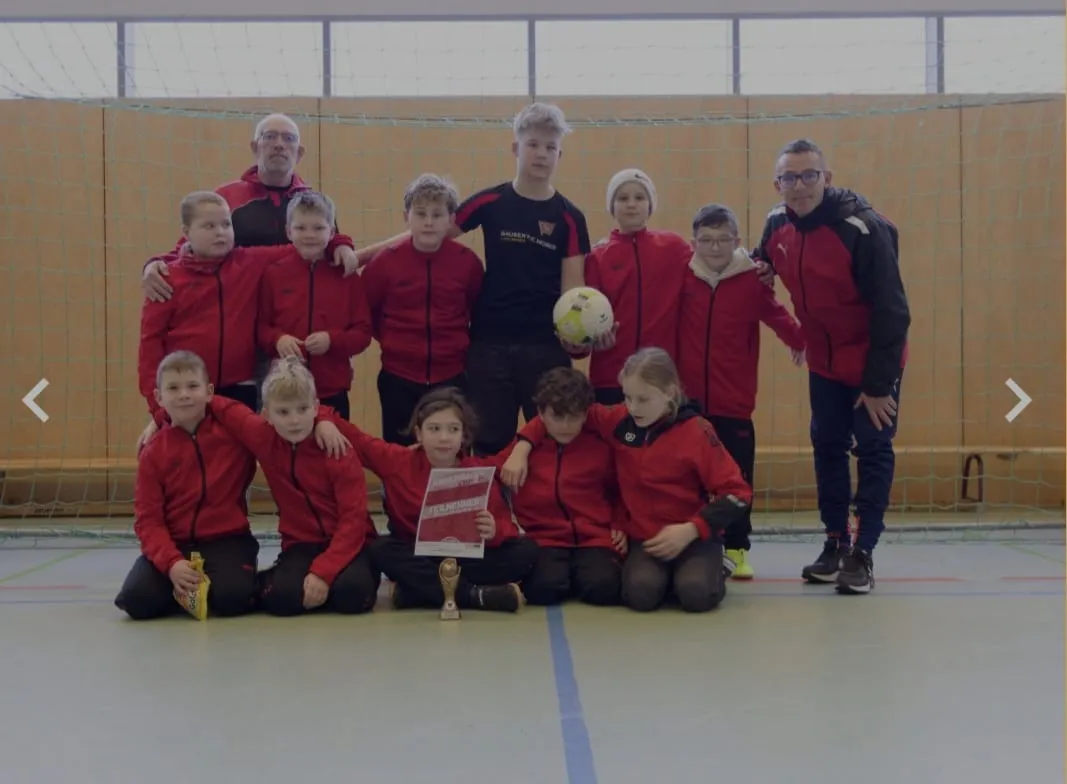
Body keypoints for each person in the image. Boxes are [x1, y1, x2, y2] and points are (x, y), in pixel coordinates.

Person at [357, 103, 591, 455]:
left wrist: (578, 339)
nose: (541, 153)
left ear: (560, 154)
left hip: (544, 348)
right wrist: (360, 257)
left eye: (550, 147)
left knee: (549, 441)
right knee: (487, 444)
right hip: (489, 348)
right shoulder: (491, 201)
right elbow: (427, 232)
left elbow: (573, 293)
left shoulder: (571, 217)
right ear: (516, 148)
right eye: (533, 144)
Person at [751, 138, 910, 595]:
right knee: (827, 446)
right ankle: (836, 542)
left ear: (827, 178)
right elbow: (766, 258)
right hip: (823, 364)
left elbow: (893, 311)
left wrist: (877, 386)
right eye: (790, 177)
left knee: (873, 448)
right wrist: (762, 266)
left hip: (872, 363)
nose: (800, 185)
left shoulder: (863, 228)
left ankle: (863, 554)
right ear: (777, 184)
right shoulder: (777, 222)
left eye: (809, 175)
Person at [502, 348, 752, 613]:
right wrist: (523, 446)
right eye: (627, 397)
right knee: (640, 595)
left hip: (692, 536)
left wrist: (692, 529)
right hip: (646, 538)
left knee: (695, 595)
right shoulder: (620, 420)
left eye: (643, 399)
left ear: (670, 392)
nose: (633, 408)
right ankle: (674, 577)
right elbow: (558, 411)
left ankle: (710, 567)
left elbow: (738, 494)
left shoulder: (698, 432)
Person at [138, 113, 361, 410]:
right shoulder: (227, 197)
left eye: (288, 138)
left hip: (289, 334)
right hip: (243, 332)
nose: (279, 144)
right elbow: (188, 247)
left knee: (288, 416)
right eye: (270, 136)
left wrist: (343, 243)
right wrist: (154, 264)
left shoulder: (312, 202)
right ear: (255, 146)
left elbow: (325, 242)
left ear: (299, 152)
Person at [137, 191, 354, 418]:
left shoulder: (250, 261)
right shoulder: (165, 280)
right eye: (209, 226)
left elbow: (306, 245)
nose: (220, 232)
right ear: (186, 233)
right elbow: (150, 344)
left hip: (241, 388)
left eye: (226, 224)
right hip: (187, 391)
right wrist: (156, 406)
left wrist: (340, 243)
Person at [320, 387, 538, 613]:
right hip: (420, 556)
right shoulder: (397, 461)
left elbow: (507, 530)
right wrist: (324, 420)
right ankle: (473, 595)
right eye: (434, 429)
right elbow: (353, 436)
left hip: (463, 559)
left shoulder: (478, 472)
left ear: (464, 435)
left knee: (526, 551)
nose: (443, 438)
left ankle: (419, 592)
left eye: (453, 429)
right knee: (381, 548)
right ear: (419, 433)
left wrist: (493, 531)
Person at [678, 203, 805, 580]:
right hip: (688, 403)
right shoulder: (683, 276)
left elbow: (777, 314)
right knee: (690, 478)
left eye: (723, 239)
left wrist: (801, 340)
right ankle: (697, 543)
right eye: (706, 240)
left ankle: (737, 547)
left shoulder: (752, 279)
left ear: (737, 241)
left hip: (734, 402)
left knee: (736, 479)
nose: (715, 247)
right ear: (694, 243)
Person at [206, 357, 380, 616]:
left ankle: (327, 584)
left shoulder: (337, 449)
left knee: (352, 595)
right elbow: (221, 405)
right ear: (266, 414)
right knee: (282, 601)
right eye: (283, 412)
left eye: (302, 409)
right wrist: (162, 415)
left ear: (316, 407)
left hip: (350, 543)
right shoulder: (262, 436)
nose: (295, 420)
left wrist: (322, 573)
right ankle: (278, 579)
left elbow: (353, 521)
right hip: (301, 544)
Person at [115, 350, 260, 620]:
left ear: (209, 391)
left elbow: (271, 430)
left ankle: (214, 584)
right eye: (173, 388)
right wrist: (172, 563)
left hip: (227, 539)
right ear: (159, 397)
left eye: (193, 386)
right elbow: (148, 520)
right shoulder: (153, 452)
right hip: (175, 542)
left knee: (233, 598)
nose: (184, 395)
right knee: (136, 600)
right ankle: (181, 588)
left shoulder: (235, 434)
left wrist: (323, 419)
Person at [485, 367, 626, 606]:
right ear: (540, 414)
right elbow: (483, 472)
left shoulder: (600, 445)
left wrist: (619, 522)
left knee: (603, 589)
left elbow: (621, 488)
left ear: (586, 414)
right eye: (558, 417)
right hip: (544, 540)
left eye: (574, 417)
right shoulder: (522, 449)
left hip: (594, 538)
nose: (566, 425)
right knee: (545, 590)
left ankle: (580, 575)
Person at [361, 174, 484, 444]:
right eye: (420, 214)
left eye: (437, 214)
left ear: (451, 220)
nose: (429, 222)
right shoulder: (384, 263)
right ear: (406, 217)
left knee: (450, 451)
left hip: (452, 377)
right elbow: (366, 313)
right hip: (398, 376)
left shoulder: (468, 263)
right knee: (399, 454)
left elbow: (476, 311)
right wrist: (396, 343)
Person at [257, 190, 373, 420]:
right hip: (285, 391)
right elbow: (260, 328)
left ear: (332, 232)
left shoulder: (347, 276)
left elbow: (363, 334)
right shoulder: (273, 274)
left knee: (334, 444)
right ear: (288, 231)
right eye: (301, 228)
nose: (309, 235)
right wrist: (277, 339)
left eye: (318, 228)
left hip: (332, 390)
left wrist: (332, 340)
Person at [583, 168, 692, 404]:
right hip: (610, 378)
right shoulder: (597, 257)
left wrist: (756, 264)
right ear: (612, 206)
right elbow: (585, 319)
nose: (631, 204)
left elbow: (712, 261)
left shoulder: (674, 248)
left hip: (660, 379)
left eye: (640, 197)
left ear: (650, 205)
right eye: (623, 198)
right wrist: (592, 341)